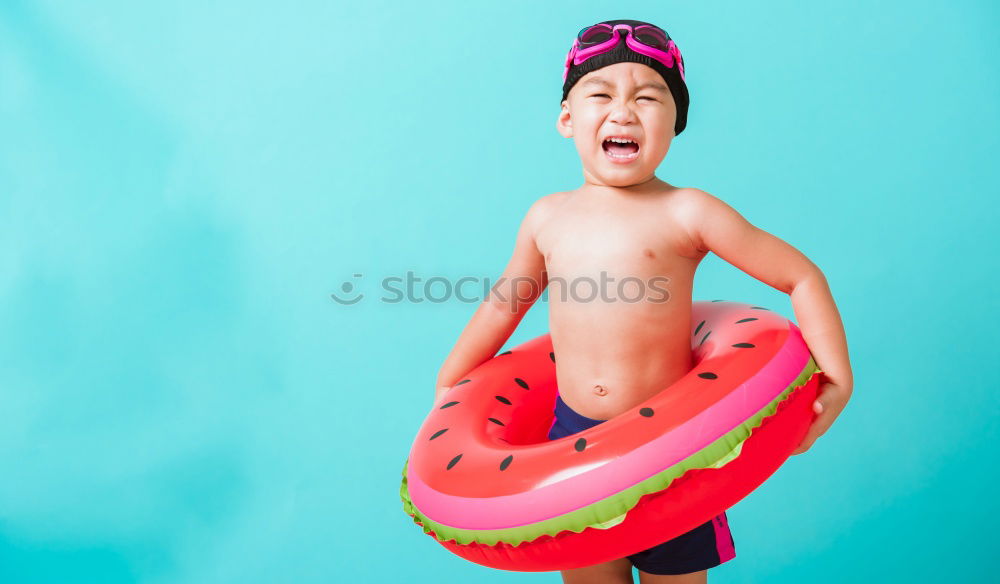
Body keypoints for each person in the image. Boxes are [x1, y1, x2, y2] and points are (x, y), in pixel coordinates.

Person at [432, 18, 853, 584]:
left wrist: (838, 376)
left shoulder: (688, 212)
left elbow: (801, 276)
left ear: (675, 123)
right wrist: (450, 384)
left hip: (673, 453)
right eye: (600, 94)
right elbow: (504, 304)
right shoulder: (546, 217)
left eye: (648, 98)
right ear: (566, 119)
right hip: (569, 439)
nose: (624, 111)